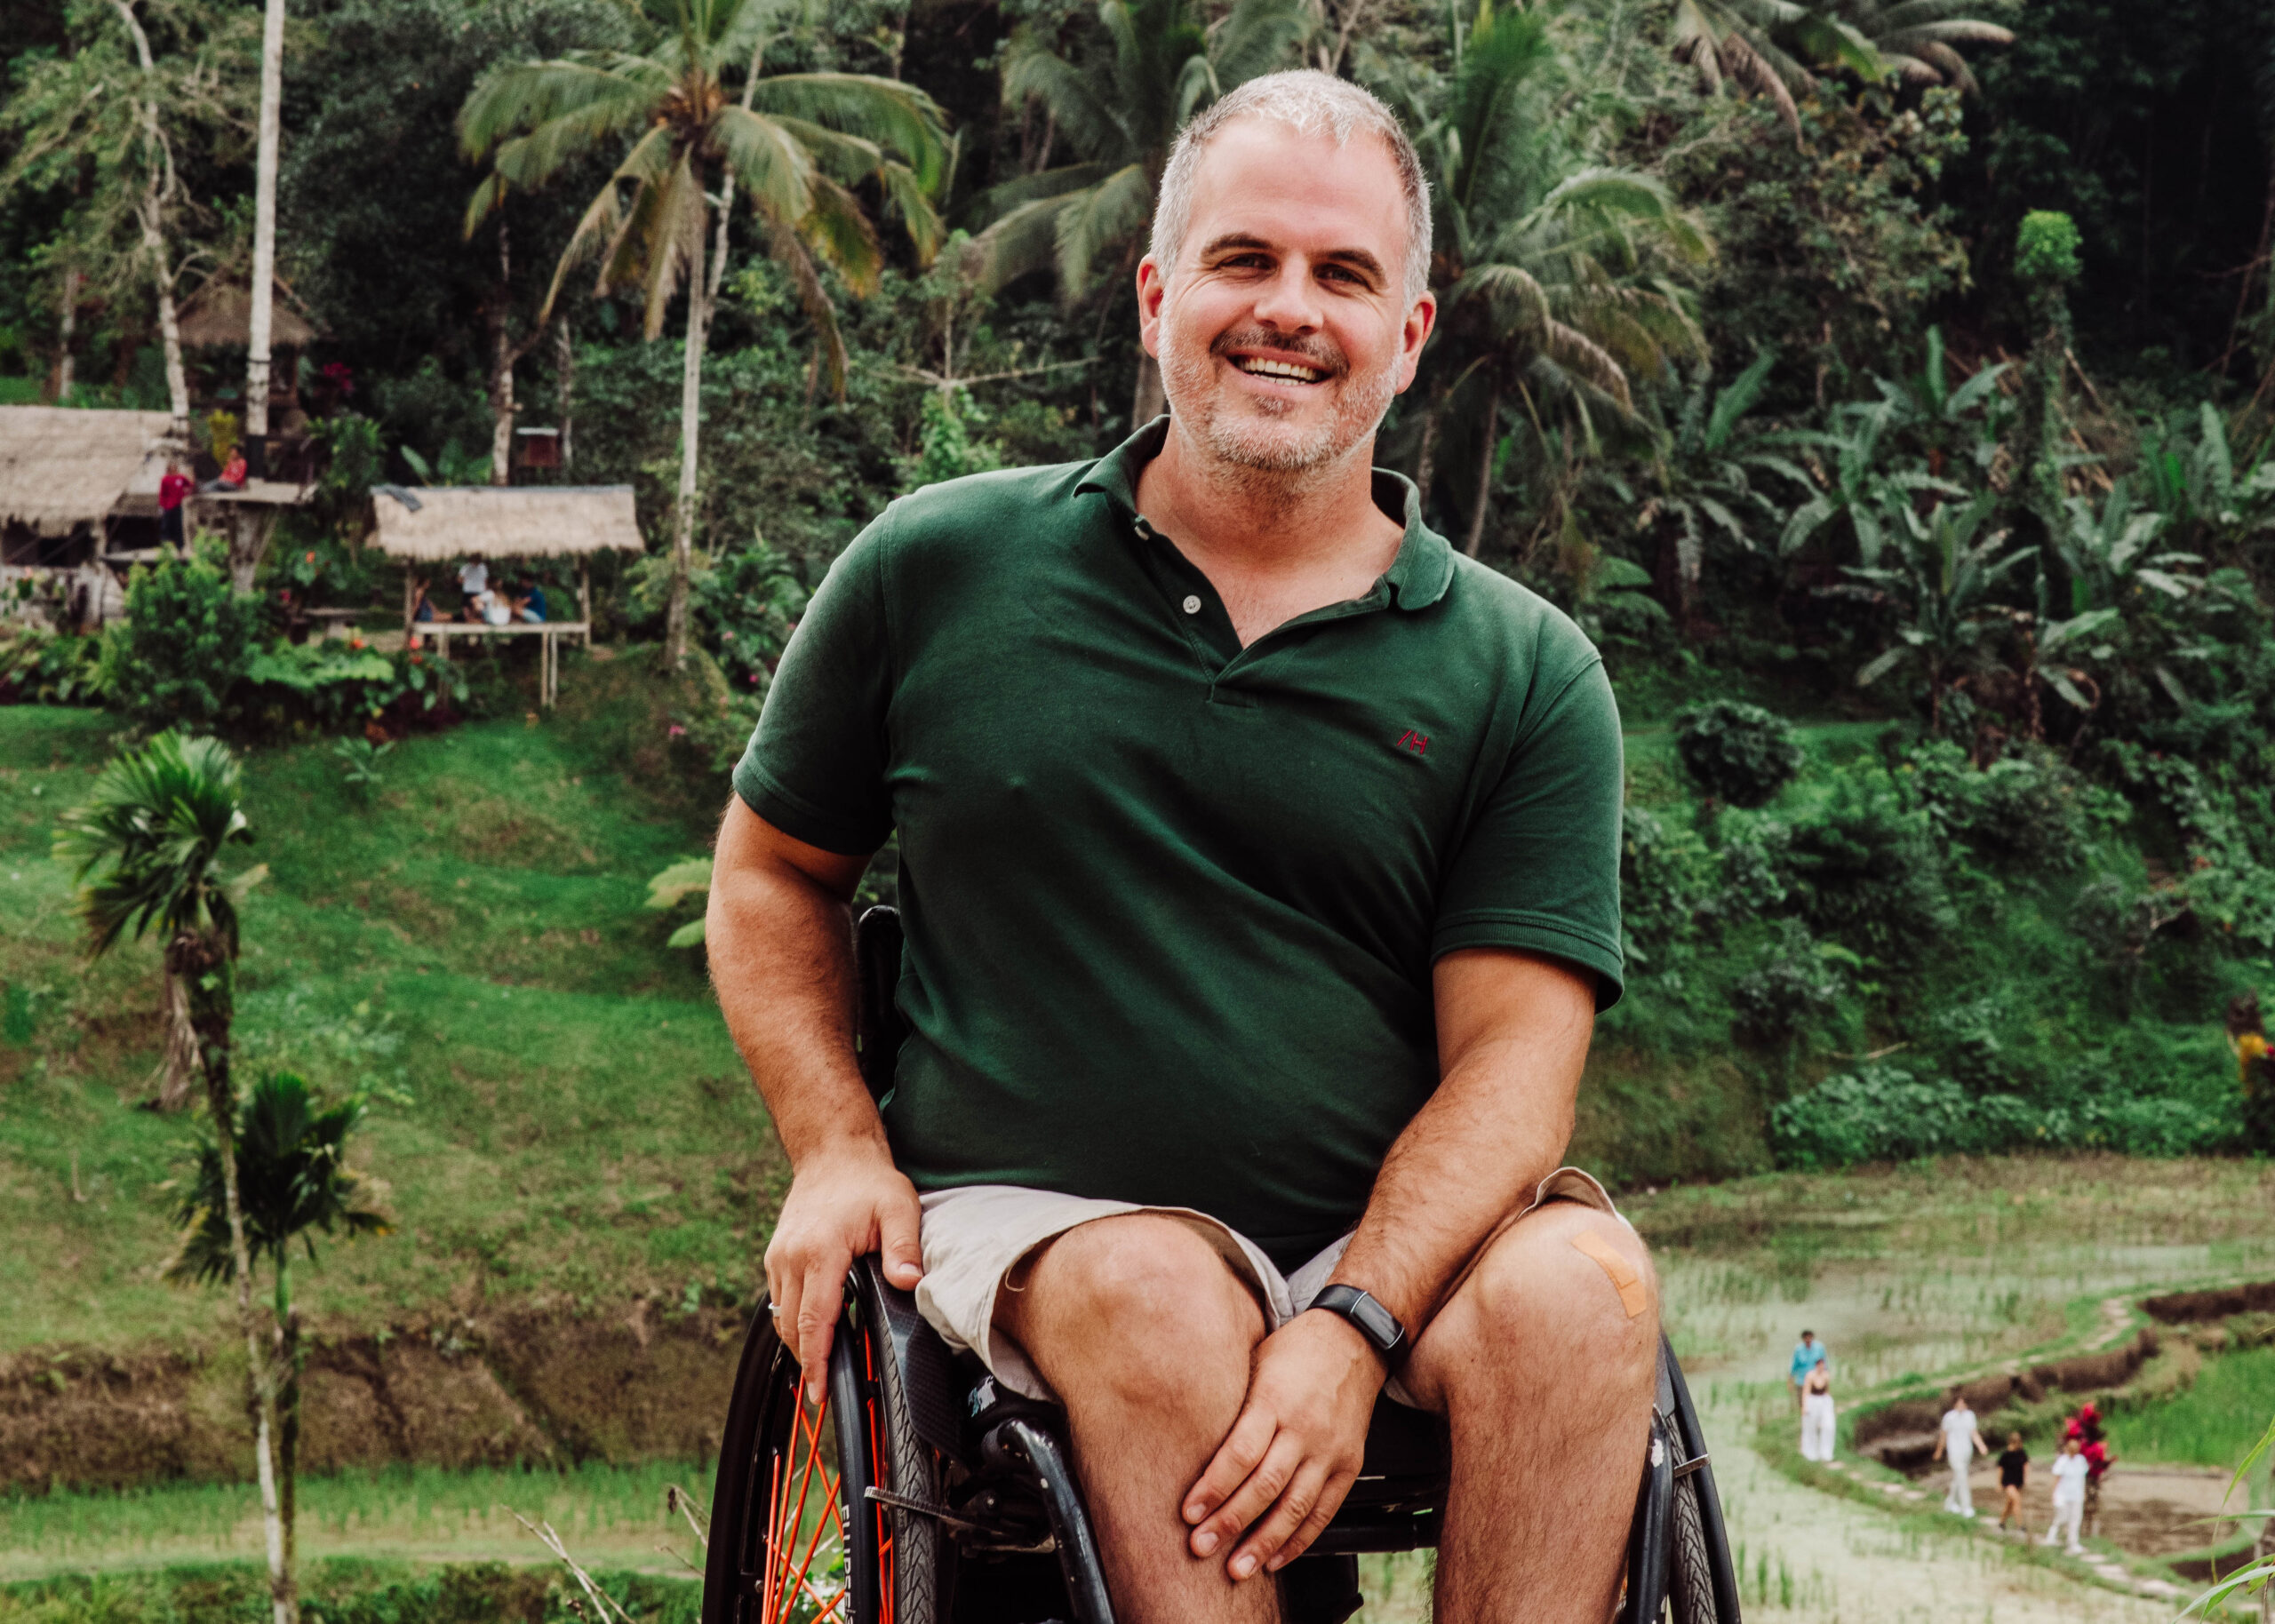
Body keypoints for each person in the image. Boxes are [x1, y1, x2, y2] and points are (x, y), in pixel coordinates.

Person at [706, 69, 1645, 1622]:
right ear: (1158, 296)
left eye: (1345, 276)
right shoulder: (939, 565)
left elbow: (1515, 1072)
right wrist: (834, 1146)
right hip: (1041, 1229)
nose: (1289, 308)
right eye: (1244, 260)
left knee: (1583, 1292)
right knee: (1155, 1288)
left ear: (1407, 338)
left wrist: (1350, 1319)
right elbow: (771, 870)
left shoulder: (1525, 671)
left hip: (1383, 1249)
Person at [1931, 1388, 1987, 1517]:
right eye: (1959, 1403)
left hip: (1966, 1451)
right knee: (1962, 1478)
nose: (1961, 1406)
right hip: (1954, 1452)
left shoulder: (1970, 1416)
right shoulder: (1949, 1417)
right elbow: (1943, 1436)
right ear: (1955, 1404)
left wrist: (1981, 1446)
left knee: (1958, 1478)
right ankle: (1966, 1507)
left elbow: (1974, 1433)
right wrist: (1939, 1451)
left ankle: (1950, 1503)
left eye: (1963, 1403)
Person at [2044, 1437, 2088, 1553]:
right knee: (2062, 1517)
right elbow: (2056, 1478)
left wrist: (2084, 1491)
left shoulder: (2081, 1460)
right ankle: (2052, 1536)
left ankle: (2073, 1542)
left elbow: (2082, 1478)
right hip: (2063, 1494)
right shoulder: (2062, 1461)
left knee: (2075, 1519)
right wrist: (2053, 1494)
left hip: (2076, 1494)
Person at [1799, 1363, 1835, 1462]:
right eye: (1819, 1365)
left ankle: (1826, 1453)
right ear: (1816, 1365)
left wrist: (1829, 1404)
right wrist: (1805, 1407)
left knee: (1828, 1427)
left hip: (1823, 1401)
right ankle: (1810, 1452)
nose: (1821, 1367)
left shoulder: (1826, 1375)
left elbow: (1827, 1391)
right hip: (1812, 1401)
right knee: (1810, 1427)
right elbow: (1806, 1391)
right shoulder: (1810, 1376)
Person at [1996, 1430, 2029, 1532]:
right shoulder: (2005, 1454)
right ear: (2011, 1442)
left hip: (2018, 1481)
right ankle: (2020, 1525)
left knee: (2010, 1503)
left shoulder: (2021, 1453)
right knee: (2017, 1501)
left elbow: (2025, 1466)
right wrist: (1999, 1483)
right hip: (2008, 1481)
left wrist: (2026, 1479)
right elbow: (2000, 1470)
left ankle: (2001, 1522)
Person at [1790, 1328, 1829, 1409]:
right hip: (1802, 1381)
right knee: (1803, 1404)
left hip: (1815, 1381)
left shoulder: (1819, 1348)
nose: (1808, 1340)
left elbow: (1824, 1363)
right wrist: (1790, 1379)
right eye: (1806, 1338)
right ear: (1803, 1339)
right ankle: (1804, 1419)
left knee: (1816, 1403)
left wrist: (1825, 1378)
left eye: (1809, 1338)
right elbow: (1794, 1365)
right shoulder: (1798, 1349)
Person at [157, 458, 192, 546]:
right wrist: (161, 506)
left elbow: (189, 485)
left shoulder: (180, 478)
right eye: (172, 467)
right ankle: (166, 544)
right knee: (166, 526)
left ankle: (179, 545)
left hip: (178, 505)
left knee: (178, 526)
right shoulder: (165, 479)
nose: (174, 469)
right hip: (168, 506)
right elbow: (162, 493)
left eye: (175, 467)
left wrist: (185, 494)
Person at [458, 556, 490, 622]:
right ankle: (469, 624)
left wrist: (467, 581)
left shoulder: (482, 567)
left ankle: (473, 624)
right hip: (473, 591)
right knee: (472, 610)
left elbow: (459, 580)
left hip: (474, 591)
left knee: (475, 610)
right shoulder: (466, 567)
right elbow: (459, 579)